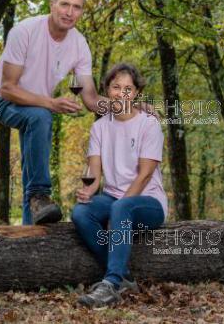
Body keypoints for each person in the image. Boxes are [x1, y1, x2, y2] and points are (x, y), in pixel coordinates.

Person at [0, 0, 107, 225]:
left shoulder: (80, 45)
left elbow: (92, 99)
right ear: (52, 5)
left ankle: (31, 234)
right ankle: (41, 194)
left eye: (77, 7)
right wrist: (51, 103)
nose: (69, 12)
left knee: (36, 132)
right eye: (64, 4)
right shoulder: (25, 31)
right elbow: (8, 88)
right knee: (41, 116)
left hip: (37, 108)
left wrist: (129, 108)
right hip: (2, 101)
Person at [71, 63, 168, 308]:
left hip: (148, 202)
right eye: (116, 87)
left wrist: (121, 205)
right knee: (81, 212)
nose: (121, 93)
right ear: (107, 90)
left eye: (128, 88)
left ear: (136, 93)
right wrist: (89, 189)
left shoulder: (149, 124)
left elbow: (145, 175)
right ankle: (122, 274)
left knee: (120, 208)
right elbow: (94, 170)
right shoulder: (100, 127)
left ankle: (111, 284)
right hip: (114, 199)